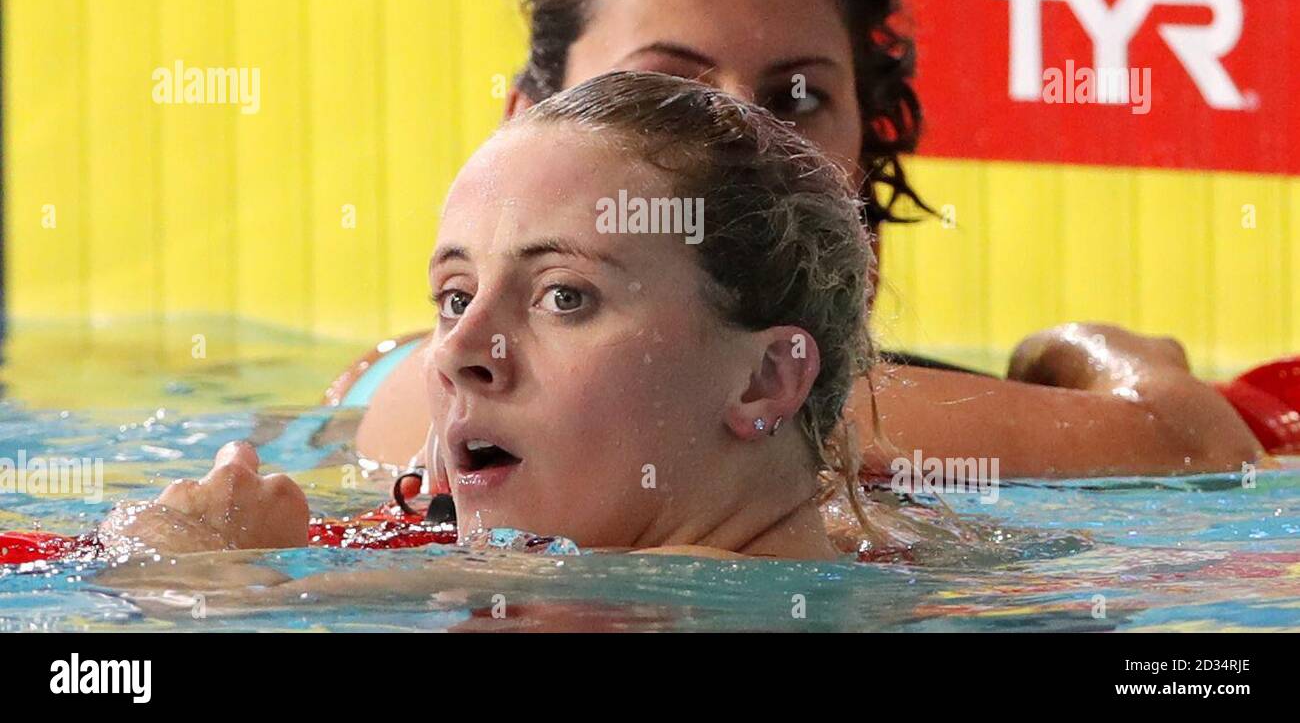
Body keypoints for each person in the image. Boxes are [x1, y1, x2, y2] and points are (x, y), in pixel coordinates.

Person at [338, 0, 1262, 478]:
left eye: (795, 97)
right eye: (666, 89)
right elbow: (1188, 446)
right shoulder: (465, 382)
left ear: (865, 140)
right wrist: (1089, 352)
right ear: (525, 124)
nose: (747, 139)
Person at [97, 72, 964, 560]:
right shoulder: (894, 554)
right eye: (455, 297)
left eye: (564, 297)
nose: (460, 352)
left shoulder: (595, 606)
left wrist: (193, 565)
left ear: (767, 377)